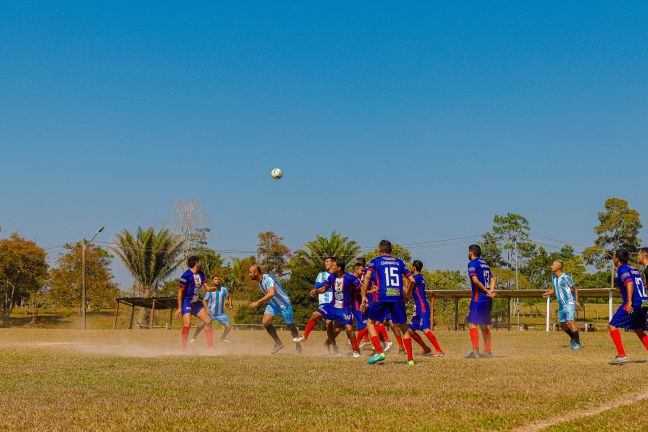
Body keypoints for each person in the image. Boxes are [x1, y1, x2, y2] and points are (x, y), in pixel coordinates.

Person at [361, 240, 417, 366]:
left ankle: (379, 352)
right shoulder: (399, 262)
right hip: (397, 297)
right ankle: (410, 359)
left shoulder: (376, 261)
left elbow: (367, 277)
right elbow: (412, 280)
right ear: (391, 250)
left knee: (370, 322)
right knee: (404, 327)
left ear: (379, 249)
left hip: (383, 296)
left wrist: (364, 295)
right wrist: (407, 295)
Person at [310, 259, 362, 357]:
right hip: (332, 306)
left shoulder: (350, 278)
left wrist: (364, 298)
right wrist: (316, 291)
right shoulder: (331, 276)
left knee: (345, 329)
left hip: (345, 308)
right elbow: (323, 288)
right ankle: (332, 346)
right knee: (327, 322)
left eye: (333, 265)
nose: (331, 267)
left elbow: (361, 288)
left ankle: (355, 350)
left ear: (339, 268)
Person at [248, 264, 302, 354]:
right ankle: (278, 343)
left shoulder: (267, 279)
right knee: (265, 322)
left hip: (283, 303)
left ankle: (298, 345)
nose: (249, 274)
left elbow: (271, 293)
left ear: (256, 272)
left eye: (250, 272)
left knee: (290, 326)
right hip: (273, 303)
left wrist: (258, 302)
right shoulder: (259, 282)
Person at [607, 249, 648, 365]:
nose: (613, 259)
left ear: (617, 259)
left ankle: (621, 355)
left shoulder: (622, 269)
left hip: (634, 302)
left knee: (612, 325)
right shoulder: (633, 269)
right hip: (644, 301)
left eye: (614, 257)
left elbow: (629, 283)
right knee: (638, 330)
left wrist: (629, 302)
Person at [293, 257, 341, 350]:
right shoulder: (321, 274)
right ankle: (335, 348)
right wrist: (328, 282)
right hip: (324, 302)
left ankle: (327, 342)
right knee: (329, 322)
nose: (325, 263)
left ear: (333, 263)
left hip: (337, 303)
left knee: (338, 329)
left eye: (327, 261)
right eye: (325, 261)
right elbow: (317, 286)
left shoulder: (338, 275)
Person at [175, 256, 214, 351]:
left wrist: (211, 288)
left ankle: (210, 347)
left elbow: (206, 287)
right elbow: (180, 292)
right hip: (186, 303)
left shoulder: (201, 274)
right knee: (188, 324)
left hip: (196, 303)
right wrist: (179, 308)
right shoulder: (186, 275)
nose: (201, 263)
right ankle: (183, 349)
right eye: (200, 261)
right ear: (197, 262)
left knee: (208, 321)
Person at [465, 244, 496, 359]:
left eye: (468, 252)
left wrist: (486, 290)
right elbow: (493, 279)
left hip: (478, 297)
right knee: (484, 325)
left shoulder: (472, 264)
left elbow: (475, 280)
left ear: (471, 252)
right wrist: (490, 291)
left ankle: (475, 352)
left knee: (472, 323)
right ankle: (487, 352)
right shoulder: (485, 264)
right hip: (488, 299)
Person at [407, 260, 444, 357]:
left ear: (414, 267)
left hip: (422, 307)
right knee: (410, 331)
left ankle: (439, 351)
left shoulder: (415, 278)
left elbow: (409, 286)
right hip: (418, 308)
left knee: (425, 329)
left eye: (412, 267)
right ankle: (425, 348)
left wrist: (405, 278)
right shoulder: (420, 277)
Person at [542, 260, 582, 349]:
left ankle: (578, 344)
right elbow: (554, 289)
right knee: (561, 324)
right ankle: (573, 339)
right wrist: (547, 293)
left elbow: (575, 288)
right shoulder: (553, 278)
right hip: (561, 305)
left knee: (570, 322)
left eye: (553, 265)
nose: (551, 266)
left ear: (558, 267)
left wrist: (577, 301)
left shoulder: (566, 277)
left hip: (569, 303)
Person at [192, 276, 234, 343]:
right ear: (212, 281)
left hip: (221, 313)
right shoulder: (210, 290)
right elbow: (204, 300)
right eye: (215, 279)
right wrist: (207, 309)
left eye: (218, 279)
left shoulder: (224, 289)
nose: (217, 280)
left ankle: (222, 338)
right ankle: (194, 337)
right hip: (210, 313)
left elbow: (228, 297)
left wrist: (230, 305)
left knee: (228, 327)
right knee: (200, 325)